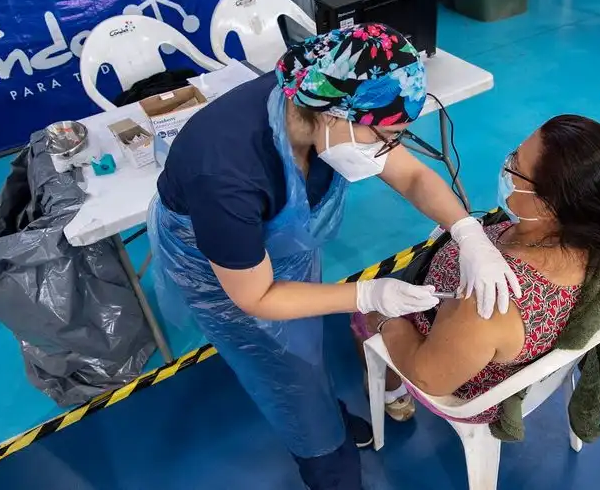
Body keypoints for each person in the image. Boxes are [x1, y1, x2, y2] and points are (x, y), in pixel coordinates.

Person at [148, 24, 522, 490]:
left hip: (282, 253)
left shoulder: (322, 104)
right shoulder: (227, 173)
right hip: (227, 275)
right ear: (335, 116)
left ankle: (330, 416)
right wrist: (367, 293)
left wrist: (470, 234)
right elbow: (257, 296)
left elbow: (413, 178)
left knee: (306, 347)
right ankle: (327, 460)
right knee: (287, 377)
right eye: (386, 136)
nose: (391, 149)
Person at [351, 115, 600, 424]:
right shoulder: (594, 240)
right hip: (498, 350)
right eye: (516, 150)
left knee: (362, 314)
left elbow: (429, 378)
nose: (507, 164)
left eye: (516, 164)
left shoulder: (487, 301)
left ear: (548, 205)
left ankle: (392, 394)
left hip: (460, 369)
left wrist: (385, 322)